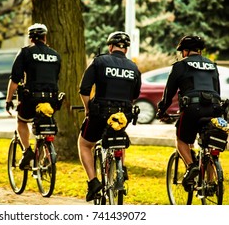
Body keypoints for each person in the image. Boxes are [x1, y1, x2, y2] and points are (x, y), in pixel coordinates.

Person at [78, 31, 141, 202]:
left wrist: (87, 109)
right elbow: (134, 94)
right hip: (124, 114)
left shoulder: (99, 61)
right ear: (126, 49)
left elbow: (84, 90)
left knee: (84, 144)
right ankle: (121, 169)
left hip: (100, 112)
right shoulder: (133, 67)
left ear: (110, 46)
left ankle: (93, 183)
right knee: (118, 136)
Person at [157, 35, 222, 191]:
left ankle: (192, 166)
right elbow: (216, 90)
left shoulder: (180, 66)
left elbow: (169, 93)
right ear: (199, 51)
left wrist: (162, 110)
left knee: (181, 140)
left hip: (192, 109)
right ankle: (211, 183)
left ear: (185, 51)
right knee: (209, 143)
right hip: (215, 107)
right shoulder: (212, 65)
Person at [5, 23, 61, 170]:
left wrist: (8, 99)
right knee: (45, 123)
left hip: (31, 99)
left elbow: (15, 79)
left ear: (31, 38)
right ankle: (44, 150)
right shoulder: (56, 55)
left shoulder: (25, 53)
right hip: (51, 100)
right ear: (45, 37)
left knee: (22, 121)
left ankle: (27, 151)